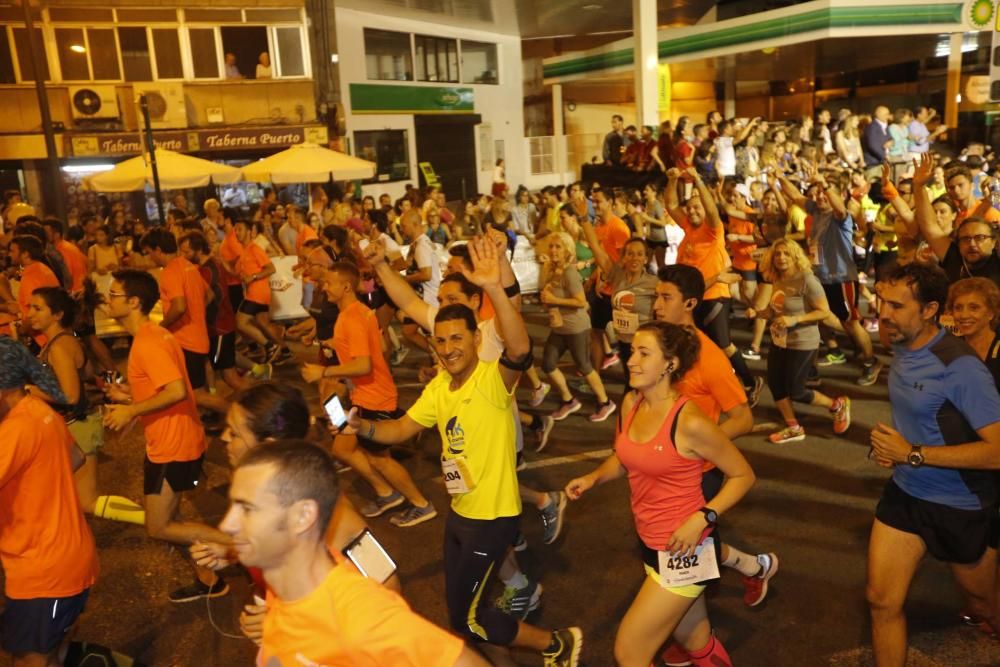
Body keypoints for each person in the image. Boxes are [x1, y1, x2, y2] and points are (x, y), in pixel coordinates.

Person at [342, 238, 583, 666]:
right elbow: (399, 429)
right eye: (441, 341)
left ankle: (555, 644)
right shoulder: (439, 388)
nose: (449, 347)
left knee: (468, 620)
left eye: (457, 338)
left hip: (491, 518)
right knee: (463, 612)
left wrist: (493, 288)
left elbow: (521, 349)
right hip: (461, 512)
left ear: (475, 339)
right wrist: (365, 427)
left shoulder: (491, 382)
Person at [565, 321, 755, 667]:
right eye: (631, 351)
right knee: (694, 638)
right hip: (650, 541)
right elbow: (626, 458)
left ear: (670, 364)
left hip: (686, 549)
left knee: (630, 651)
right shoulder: (630, 404)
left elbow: (743, 474)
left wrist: (703, 518)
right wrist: (594, 477)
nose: (631, 361)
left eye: (643, 353)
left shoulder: (690, 422)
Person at [219, 440, 489, 666]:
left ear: (302, 517)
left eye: (247, 509)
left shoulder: (359, 615)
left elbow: (387, 582)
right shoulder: (286, 587)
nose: (225, 524)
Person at [868, 262, 1000, 665]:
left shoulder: (961, 368)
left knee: (983, 604)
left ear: (928, 310)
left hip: (959, 504)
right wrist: (892, 450)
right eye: (881, 301)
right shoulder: (901, 345)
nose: (883, 313)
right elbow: (922, 414)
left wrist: (913, 452)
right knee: (881, 601)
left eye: (896, 305)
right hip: (906, 494)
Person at [102, 269, 232, 602]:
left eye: (114, 294)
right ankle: (209, 580)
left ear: (133, 302)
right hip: (175, 440)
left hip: (173, 446)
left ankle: (242, 547)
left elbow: (174, 390)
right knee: (171, 517)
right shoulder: (153, 336)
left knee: (158, 525)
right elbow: (164, 386)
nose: (108, 298)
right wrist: (131, 396)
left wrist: (131, 410)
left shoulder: (147, 342)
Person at [653, 265, 779, 610]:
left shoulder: (708, 357)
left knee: (687, 561)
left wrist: (700, 443)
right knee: (684, 547)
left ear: (690, 303)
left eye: (666, 298)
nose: (657, 305)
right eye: (656, 296)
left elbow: (743, 417)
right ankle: (755, 567)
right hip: (664, 466)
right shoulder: (658, 344)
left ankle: (692, 640)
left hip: (699, 471)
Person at [301, 260, 438, 528]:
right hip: (362, 394)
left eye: (329, 283)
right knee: (343, 447)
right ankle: (387, 493)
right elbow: (381, 346)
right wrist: (328, 343)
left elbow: (363, 364)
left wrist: (324, 372)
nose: (324, 287)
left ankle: (421, 504)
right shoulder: (356, 313)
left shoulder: (351, 316)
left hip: (373, 397)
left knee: (379, 458)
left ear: (346, 286)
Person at [0, 337, 100, 667]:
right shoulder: (40, 411)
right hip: (69, 557)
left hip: (42, 573)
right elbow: (75, 458)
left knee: (29, 660)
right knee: (50, 655)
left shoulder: (15, 430)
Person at [28, 287, 145, 525]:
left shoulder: (59, 347)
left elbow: (70, 396)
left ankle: (151, 518)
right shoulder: (65, 341)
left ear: (58, 314)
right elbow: (89, 373)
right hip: (71, 427)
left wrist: (29, 390)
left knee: (87, 501)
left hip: (77, 429)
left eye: (37, 308)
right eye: (30, 307)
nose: (30, 313)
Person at [665, 168, 763, 404]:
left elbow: (710, 209)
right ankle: (704, 386)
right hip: (692, 296)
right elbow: (670, 204)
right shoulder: (688, 227)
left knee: (723, 344)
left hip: (714, 295)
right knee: (694, 343)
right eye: (690, 207)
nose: (692, 211)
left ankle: (750, 381)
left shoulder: (713, 230)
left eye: (696, 207)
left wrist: (698, 180)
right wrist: (672, 180)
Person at [776, 167, 882, 386]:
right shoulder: (815, 211)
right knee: (816, 317)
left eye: (824, 193)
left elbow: (840, 207)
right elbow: (795, 196)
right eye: (816, 194)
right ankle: (824, 358)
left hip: (841, 278)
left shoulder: (840, 217)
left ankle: (871, 361)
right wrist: (779, 177)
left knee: (851, 323)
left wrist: (824, 183)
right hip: (819, 278)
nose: (819, 197)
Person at [749, 239, 851, 443]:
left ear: (796, 255)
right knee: (776, 385)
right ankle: (793, 427)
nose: (781, 258)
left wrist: (794, 319)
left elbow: (823, 312)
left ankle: (837, 405)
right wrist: (760, 312)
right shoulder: (777, 279)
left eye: (786, 253)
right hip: (780, 341)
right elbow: (777, 308)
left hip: (803, 342)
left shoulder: (807, 279)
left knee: (797, 390)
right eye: (777, 254)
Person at [140, 229, 227, 415]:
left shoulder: (170, 271)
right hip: (198, 336)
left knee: (195, 394)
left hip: (186, 341)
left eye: (149, 252)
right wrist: (196, 314)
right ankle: (208, 418)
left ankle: (240, 416)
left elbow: (179, 307)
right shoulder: (188, 265)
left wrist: (162, 327)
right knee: (195, 390)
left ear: (158, 249)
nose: (149, 258)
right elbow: (209, 295)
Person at [538, 231, 614, 422]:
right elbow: (547, 296)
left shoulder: (569, 272)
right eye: (552, 246)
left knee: (584, 365)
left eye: (558, 247)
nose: (554, 250)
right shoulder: (551, 270)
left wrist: (555, 299)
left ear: (567, 250)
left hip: (576, 328)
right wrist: (548, 302)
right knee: (548, 364)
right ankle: (568, 400)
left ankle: (605, 402)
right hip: (559, 327)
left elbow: (580, 302)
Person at [912, 154, 1000, 286]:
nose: (972, 244)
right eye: (965, 238)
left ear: (994, 241)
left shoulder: (989, 210)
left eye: (980, 237)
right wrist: (918, 187)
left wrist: (996, 190)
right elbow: (930, 227)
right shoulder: (954, 257)